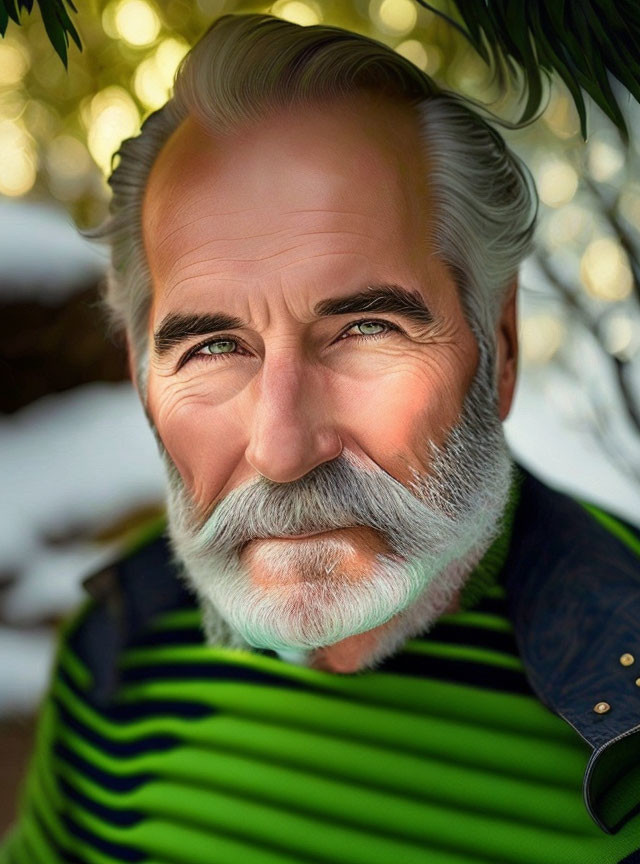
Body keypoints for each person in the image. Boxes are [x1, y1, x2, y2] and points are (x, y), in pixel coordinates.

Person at [2, 12, 640, 864]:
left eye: (366, 328)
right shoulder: (117, 649)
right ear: (142, 375)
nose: (281, 448)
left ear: (503, 343)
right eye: (214, 347)